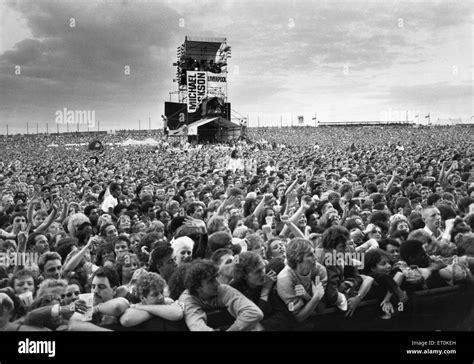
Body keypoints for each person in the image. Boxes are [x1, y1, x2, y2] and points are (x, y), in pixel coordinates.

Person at [178, 259, 264, 331]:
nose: (217, 284)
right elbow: (197, 327)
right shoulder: (187, 299)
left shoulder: (222, 289)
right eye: (210, 281)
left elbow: (254, 313)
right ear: (197, 287)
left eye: (215, 278)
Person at [276, 238, 327, 326]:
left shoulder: (319, 271)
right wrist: (316, 297)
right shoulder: (285, 279)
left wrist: (307, 297)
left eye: (314, 252)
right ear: (298, 258)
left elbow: (320, 308)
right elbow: (297, 317)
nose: (316, 257)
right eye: (310, 255)